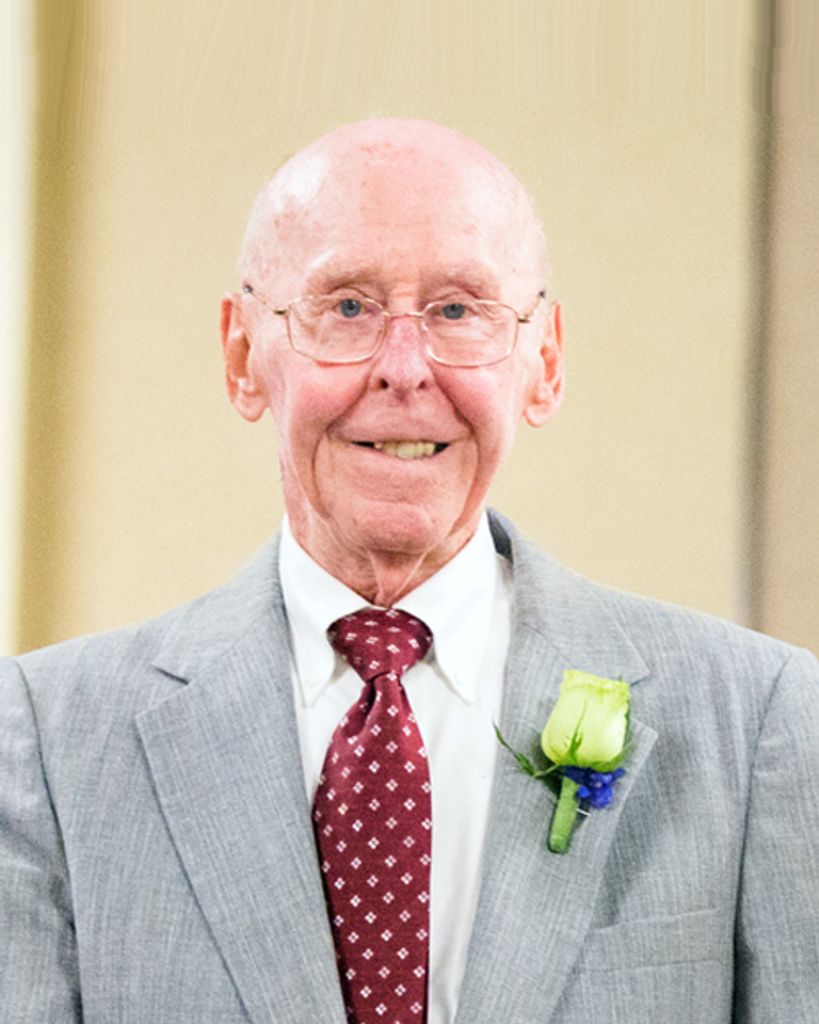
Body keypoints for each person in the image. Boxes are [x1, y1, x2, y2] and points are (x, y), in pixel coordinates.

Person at [1, 118, 817, 1024]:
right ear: (241, 357)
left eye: (458, 311)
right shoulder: (43, 741)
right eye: (346, 308)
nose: (403, 369)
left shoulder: (761, 721)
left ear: (542, 363)